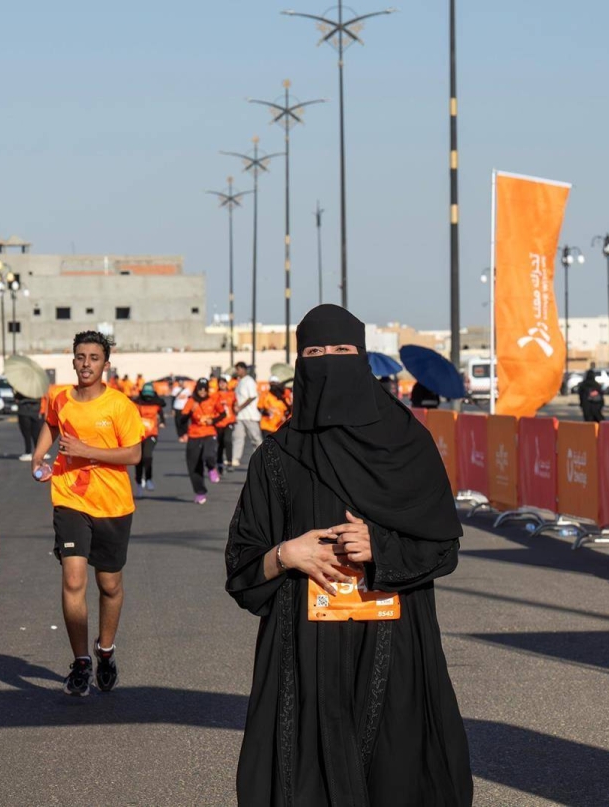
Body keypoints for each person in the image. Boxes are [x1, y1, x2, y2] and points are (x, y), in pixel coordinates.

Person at [225, 304, 472, 806]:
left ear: (361, 358)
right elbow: (242, 565)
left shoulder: (408, 445)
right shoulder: (277, 456)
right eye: (315, 352)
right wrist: (285, 554)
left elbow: (442, 547)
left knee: (394, 775)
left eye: (341, 349)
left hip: (393, 642)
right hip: (303, 644)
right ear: (300, 363)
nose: (328, 361)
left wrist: (380, 547)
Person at [32, 331, 143, 696]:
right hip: (70, 498)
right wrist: (38, 455)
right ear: (73, 360)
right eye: (80, 357)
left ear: (105, 364)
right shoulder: (59, 397)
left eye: (94, 358)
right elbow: (51, 424)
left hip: (112, 504)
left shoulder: (119, 406)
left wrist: (86, 450)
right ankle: (81, 662)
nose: (86, 364)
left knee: (109, 585)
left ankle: (105, 651)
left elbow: (133, 454)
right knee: (73, 579)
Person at [181, 378, 222, 504]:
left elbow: (223, 414)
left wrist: (213, 421)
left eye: (205, 389)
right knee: (193, 465)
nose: (202, 391)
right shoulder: (191, 401)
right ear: (196, 389)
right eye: (200, 389)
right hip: (194, 434)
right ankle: (200, 492)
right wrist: (191, 412)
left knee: (208, 455)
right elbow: (181, 419)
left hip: (209, 432)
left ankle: (211, 468)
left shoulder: (213, 400)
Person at [133, 382, 166, 491]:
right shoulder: (137, 403)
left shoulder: (157, 404)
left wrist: (162, 422)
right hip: (138, 434)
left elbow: (161, 414)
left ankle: (148, 479)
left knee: (147, 455)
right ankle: (138, 481)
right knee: (138, 458)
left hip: (152, 433)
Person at [231, 362, 263, 469]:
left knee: (256, 438)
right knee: (237, 437)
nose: (237, 371)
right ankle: (235, 458)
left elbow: (252, 396)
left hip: (250, 415)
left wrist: (241, 407)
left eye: (238, 369)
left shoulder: (249, 381)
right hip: (240, 416)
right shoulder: (239, 382)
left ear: (244, 369)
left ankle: (261, 457)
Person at [214, 375, 237, 475]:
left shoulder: (231, 394)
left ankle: (229, 462)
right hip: (218, 423)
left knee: (227, 440)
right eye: (220, 382)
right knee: (220, 444)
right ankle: (219, 463)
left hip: (229, 421)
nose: (222, 384)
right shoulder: (215, 395)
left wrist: (236, 409)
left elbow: (235, 405)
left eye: (224, 382)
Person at [14, 390, 42, 462]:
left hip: (24, 411)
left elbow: (16, 399)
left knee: (26, 434)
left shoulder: (22, 388)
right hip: (35, 411)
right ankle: (39, 452)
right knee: (36, 433)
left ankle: (28, 452)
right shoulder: (37, 389)